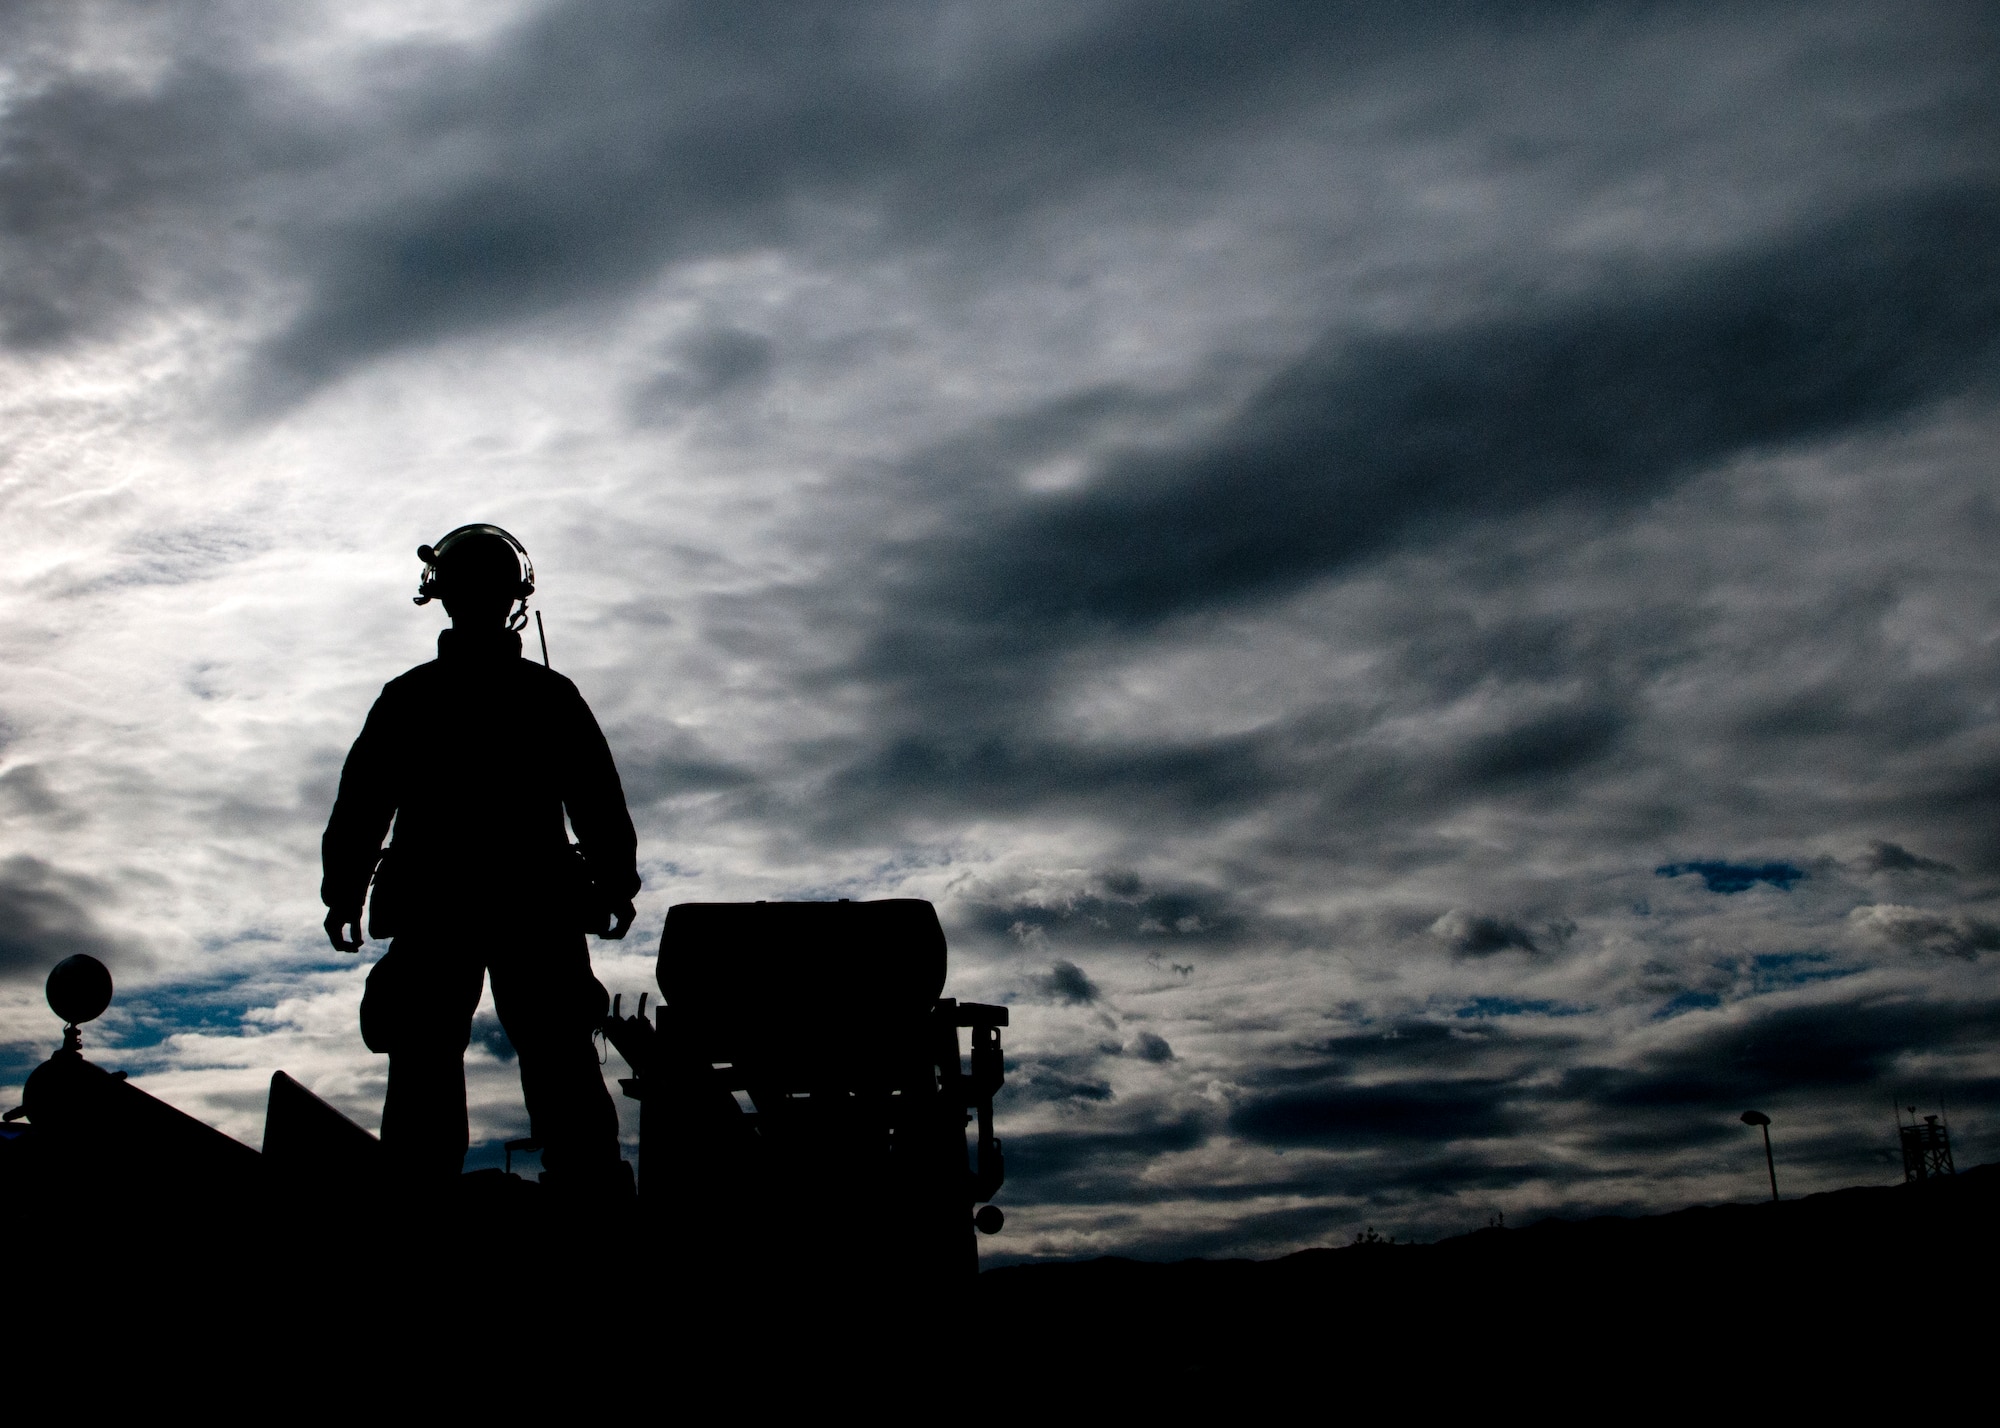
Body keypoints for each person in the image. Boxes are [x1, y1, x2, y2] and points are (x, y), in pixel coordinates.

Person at [320, 525, 639, 1195]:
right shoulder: (548, 697)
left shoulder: (410, 698)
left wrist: (344, 890)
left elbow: (362, 802)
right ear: (513, 596)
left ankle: (417, 1207)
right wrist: (614, 881)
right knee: (559, 1066)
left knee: (425, 1072)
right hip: (534, 905)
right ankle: (592, 1209)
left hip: (438, 907)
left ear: (440, 597)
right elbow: (597, 799)